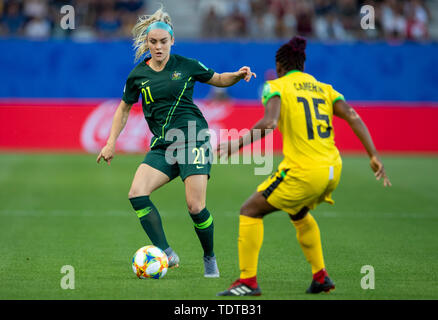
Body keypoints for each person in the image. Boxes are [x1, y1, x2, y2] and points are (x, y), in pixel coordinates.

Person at [217, 36, 391, 296]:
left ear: (279, 65)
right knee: (297, 213)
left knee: (250, 210)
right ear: (302, 64)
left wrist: (235, 145)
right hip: (333, 169)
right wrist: (373, 155)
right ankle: (320, 277)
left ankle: (247, 282)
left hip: (304, 171)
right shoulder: (324, 88)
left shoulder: (275, 86)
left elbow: (270, 123)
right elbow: (353, 116)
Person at [96, 7, 256, 278]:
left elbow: (217, 79)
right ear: (147, 43)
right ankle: (166, 253)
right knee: (136, 193)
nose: (158, 47)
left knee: (195, 207)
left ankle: (209, 258)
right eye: (153, 42)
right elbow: (123, 109)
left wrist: (237, 75)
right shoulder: (137, 75)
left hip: (193, 138)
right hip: (163, 145)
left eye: (163, 41)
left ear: (172, 42)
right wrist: (111, 142)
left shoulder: (187, 65)